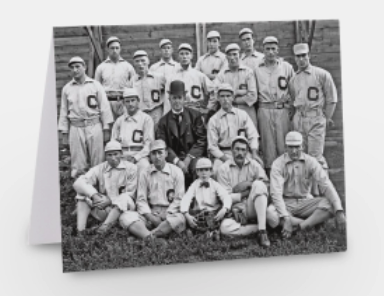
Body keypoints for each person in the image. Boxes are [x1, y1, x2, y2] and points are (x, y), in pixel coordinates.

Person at [267, 131, 346, 238]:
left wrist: (339, 210)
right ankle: (311, 223)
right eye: (290, 147)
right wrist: (285, 217)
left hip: (305, 201)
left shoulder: (311, 161)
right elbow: (276, 193)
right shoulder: (277, 164)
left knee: (330, 203)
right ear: (285, 147)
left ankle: (299, 227)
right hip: (286, 203)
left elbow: (326, 184)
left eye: (297, 147)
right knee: (270, 214)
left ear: (302, 146)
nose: (294, 151)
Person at [58, 56, 113, 178]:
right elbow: (63, 111)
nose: (75, 70)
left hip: (94, 125)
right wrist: (64, 133)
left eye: (78, 66)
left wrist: (106, 129)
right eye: (72, 67)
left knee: (98, 160)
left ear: (85, 67)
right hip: (76, 127)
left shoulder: (95, 85)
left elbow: (104, 108)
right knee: (78, 163)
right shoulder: (67, 88)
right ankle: (82, 192)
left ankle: (98, 189)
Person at [119, 140, 186, 239]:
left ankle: (148, 236)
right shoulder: (145, 173)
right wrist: (150, 216)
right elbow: (141, 199)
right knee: (125, 216)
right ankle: (158, 234)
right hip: (151, 212)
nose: (157, 156)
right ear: (150, 156)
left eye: (160, 152)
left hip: (170, 213)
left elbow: (179, 199)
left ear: (166, 153)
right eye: (154, 153)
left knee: (180, 219)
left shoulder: (177, 172)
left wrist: (167, 214)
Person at [289, 43, 338, 173]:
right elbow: (294, 99)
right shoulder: (293, 79)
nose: (301, 59)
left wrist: (326, 118)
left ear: (309, 55)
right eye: (298, 56)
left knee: (315, 156)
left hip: (316, 117)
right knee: (301, 155)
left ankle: (323, 188)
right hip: (299, 118)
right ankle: (308, 190)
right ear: (294, 58)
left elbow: (331, 99)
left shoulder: (322, 74)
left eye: (303, 55)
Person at [73, 141, 137, 234]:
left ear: (121, 154)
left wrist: (110, 200)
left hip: (124, 211)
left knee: (125, 197)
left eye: (116, 154)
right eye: (109, 155)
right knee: (82, 194)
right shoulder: (100, 168)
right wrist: (94, 195)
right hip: (105, 208)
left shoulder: (132, 168)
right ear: (105, 156)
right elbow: (78, 182)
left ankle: (103, 228)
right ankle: (80, 231)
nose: (113, 158)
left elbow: (131, 193)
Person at [217, 136, 270, 247]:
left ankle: (262, 233)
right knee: (224, 228)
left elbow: (266, 185)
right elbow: (225, 197)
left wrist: (249, 184)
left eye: (243, 150)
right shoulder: (223, 169)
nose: (240, 153)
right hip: (236, 210)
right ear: (232, 150)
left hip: (253, 206)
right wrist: (244, 194)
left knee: (259, 184)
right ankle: (259, 226)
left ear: (247, 152)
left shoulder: (254, 165)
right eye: (237, 149)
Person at [254, 36, 295, 176]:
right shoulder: (257, 69)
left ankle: (287, 177)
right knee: (268, 147)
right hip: (264, 109)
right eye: (267, 49)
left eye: (273, 49)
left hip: (282, 109)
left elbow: (293, 89)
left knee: (283, 144)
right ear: (263, 50)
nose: (270, 52)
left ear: (278, 50)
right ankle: (271, 180)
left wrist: (291, 108)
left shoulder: (287, 67)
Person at [156, 80, 207, 186]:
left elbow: (201, 140)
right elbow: (163, 146)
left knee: (200, 167)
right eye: (174, 98)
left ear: (184, 98)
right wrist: (177, 161)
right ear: (169, 99)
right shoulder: (163, 121)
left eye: (179, 98)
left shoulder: (195, 116)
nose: (177, 101)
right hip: (173, 159)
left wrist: (188, 158)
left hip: (192, 157)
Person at [207, 83, 262, 178]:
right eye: (222, 96)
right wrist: (226, 160)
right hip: (224, 153)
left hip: (243, 152)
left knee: (257, 168)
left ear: (233, 97)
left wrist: (254, 153)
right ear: (218, 98)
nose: (225, 99)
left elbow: (253, 135)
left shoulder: (242, 114)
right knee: (216, 171)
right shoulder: (214, 119)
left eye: (228, 96)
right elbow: (212, 146)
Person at [180, 158, 232, 238]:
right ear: (197, 172)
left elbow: (225, 195)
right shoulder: (194, 185)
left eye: (206, 170)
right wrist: (186, 213)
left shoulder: (215, 184)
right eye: (201, 170)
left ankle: (210, 232)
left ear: (211, 171)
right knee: (194, 220)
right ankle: (206, 233)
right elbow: (187, 197)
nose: (204, 173)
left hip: (213, 212)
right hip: (199, 212)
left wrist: (224, 208)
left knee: (217, 218)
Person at [214, 43, 258, 129]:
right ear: (226, 57)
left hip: (247, 112)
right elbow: (216, 94)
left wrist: (230, 99)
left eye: (235, 54)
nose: (232, 57)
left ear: (240, 55)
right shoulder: (222, 74)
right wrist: (240, 92)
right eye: (229, 55)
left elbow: (253, 96)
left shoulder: (248, 72)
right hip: (228, 113)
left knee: (250, 138)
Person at [165, 43, 215, 116]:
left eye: (187, 54)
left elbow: (213, 91)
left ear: (191, 56)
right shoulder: (172, 77)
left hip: (196, 110)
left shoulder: (199, 75)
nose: (184, 56)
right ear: (178, 56)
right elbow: (167, 99)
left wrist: (208, 108)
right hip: (178, 111)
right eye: (182, 54)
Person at [111, 88, 154, 173]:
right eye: (127, 101)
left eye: (133, 100)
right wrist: (121, 157)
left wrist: (135, 158)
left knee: (145, 167)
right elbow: (113, 144)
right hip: (123, 156)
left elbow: (149, 144)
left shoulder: (146, 119)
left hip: (140, 156)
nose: (130, 104)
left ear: (138, 101)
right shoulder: (119, 121)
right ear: (123, 103)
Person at [95, 36, 136, 119]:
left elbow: (134, 85)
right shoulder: (101, 67)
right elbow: (96, 88)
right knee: (109, 127)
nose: (115, 51)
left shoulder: (128, 66)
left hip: (124, 102)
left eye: (117, 48)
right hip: (107, 102)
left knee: (125, 127)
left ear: (120, 49)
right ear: (107, 49)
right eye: (112, 48)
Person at [128, 50, 167, 126]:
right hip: (140, 113)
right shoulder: (132, 81)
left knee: (157, 135)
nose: (140, 64)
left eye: (143, 61)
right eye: (137, 61)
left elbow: (168, 93)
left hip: (156, 112)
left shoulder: (159, 77)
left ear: (148, 61)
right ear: (134, 64)